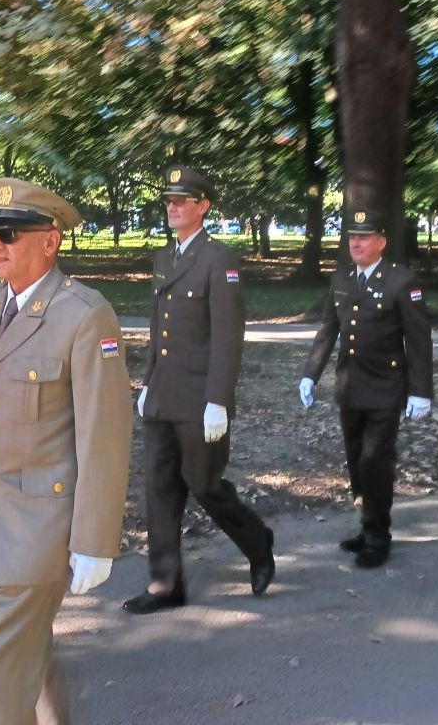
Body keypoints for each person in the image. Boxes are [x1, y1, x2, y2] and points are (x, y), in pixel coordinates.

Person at [0, 177, 133, 725]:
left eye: (11, 233)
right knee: (26, 656)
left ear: (50, 241)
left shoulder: (83, 315)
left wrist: (95, 539)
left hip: (40, 525)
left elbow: (105, 433)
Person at [123, 165, 274, 614]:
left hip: (199, 399)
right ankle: (165, 584)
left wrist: (218, 401)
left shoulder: (219, 258)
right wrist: (147, 381)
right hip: (164, 395)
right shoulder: (164, 258)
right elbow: (158, 328)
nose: (172, 207)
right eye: (168, 200)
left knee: (205, 485)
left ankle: (258, 542)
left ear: (203, 206)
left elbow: (228, 336)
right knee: (159, 488)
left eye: (182, 200)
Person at [299, 208, 433, 568]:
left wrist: (421, 390)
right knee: (357, 460)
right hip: (351, 385)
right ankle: (367, 522)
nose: (356, 243)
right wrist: (311, 373)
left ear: (381, 242)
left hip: (386, 386)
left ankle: (378, 535)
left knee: (376, 460)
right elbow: (329, 329)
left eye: (364, 237)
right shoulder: (342, 279)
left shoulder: (401, 281)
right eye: (352, 237)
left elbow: (419, 340)